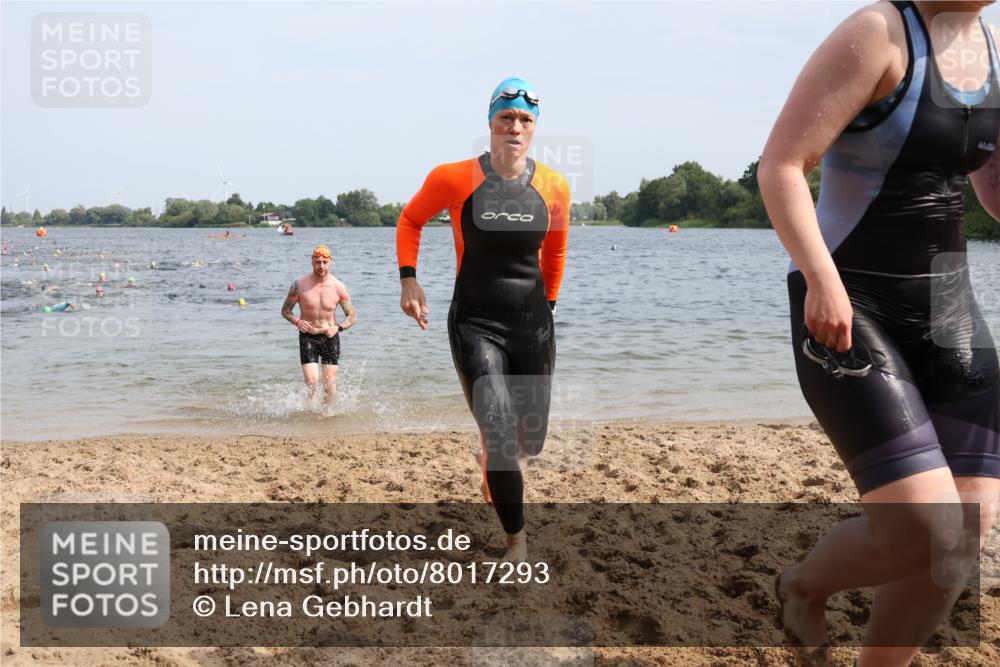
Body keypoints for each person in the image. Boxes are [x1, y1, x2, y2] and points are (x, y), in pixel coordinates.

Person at [759, 2, 1000, 664]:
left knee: (963, 535)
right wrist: (820, 277)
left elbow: (991, 189)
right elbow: (781, 164)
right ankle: (802, 586)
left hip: (950, 306)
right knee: (924, 527)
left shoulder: (990, 47)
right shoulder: (879, 34)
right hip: (850, 298)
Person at [396, 77, 570, 562]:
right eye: (505, 118)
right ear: (490, 123)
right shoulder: (453, 178)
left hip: (533, 321)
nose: (515, 126)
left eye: (524, 119)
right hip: (474, 320)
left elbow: (555, 253)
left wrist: (548, 310)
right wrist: (408, 279)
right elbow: (411, 220)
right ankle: (517, 542)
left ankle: (495, 457)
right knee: (497, 428)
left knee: (528, 442)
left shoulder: (555, 186)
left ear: (534, 128)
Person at [281, 245, 356, 416]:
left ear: (330, 262)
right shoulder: (299, 285)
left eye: (324, 262)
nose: (321, 266)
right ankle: (305, 410)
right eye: (317, 262)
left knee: (329, 383)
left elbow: (352, 315)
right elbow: (285, 311)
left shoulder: (338, 287)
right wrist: (297, 322)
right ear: (311, 261)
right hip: (308, 337)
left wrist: (339, 327)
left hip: (330, 337)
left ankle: (325, 415)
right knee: (312, 382)